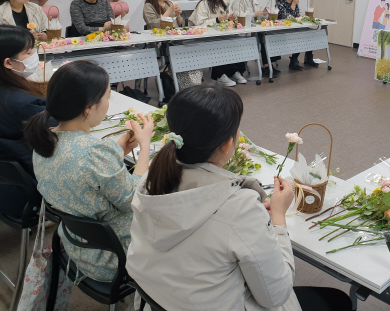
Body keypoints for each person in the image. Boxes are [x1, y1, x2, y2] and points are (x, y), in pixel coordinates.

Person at [126, 84, 300, 310]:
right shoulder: (239, 208)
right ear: (228, 144)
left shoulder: (151, 179)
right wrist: (278, 218)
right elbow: (276, 294)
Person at [25, 60, 154, 282]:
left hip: (77, 246)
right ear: (88, 108)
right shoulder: (95, 152)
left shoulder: (44, 141)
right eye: (107, 97)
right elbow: (132, 198)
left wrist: (118, 148)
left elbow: (81, 167)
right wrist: (145, 147)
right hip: (116, 256)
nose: (108, 102)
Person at [0, 26, 57, 218]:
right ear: (8, 62)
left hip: (10, 181)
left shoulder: (12, 94)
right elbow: (62, 123)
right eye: (29, 51)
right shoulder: (20, 103)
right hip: (32, 184)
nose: (34, 55)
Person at [190, 0, 247, 86]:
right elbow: (200, 24)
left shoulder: (223, 3)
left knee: (237, 42)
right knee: (219, 45)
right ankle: (220, 75)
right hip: (206, 37)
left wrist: (231, 18)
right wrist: (217, 20)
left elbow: (228, 18)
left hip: (221, 34)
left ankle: (234, 71)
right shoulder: (204, 4)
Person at [232, 0, 280, 78]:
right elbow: (237, 16)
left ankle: (266, 65)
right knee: (262, 37)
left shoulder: (256, 0)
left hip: (256, 30)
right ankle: (266, 65)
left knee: (266, 37)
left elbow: (260, 17)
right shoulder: (239, 0)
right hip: (244, 32)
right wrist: (254, 14)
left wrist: (264, 13)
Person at [275, 0, 316, 71]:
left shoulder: (295, 2)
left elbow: (296, 15)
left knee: (309, 33)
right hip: (282, 30)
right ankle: (293, 61)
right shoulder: (280, 2)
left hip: (293, 28)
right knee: (299, 36)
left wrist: (294, 5)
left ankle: (308, 58)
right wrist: (293, 4)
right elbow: (286, 17)